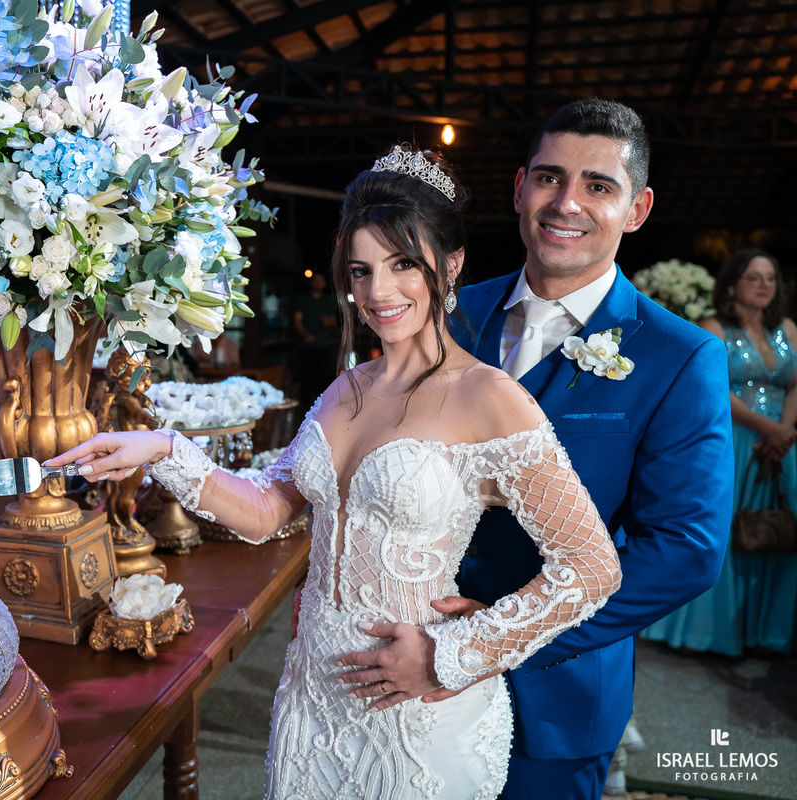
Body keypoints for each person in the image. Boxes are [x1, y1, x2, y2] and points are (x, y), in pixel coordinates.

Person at [47, 144, 623, 799]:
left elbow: (592, 566)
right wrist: (163, 449)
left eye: (402, 264)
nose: (378, 292)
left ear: (451, 263)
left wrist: (456, 652)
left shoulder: (489, 397)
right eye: (360, 270)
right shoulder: (344, 390)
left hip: (417, 714)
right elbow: (267, 510)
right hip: (313, 698)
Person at [341, 98, 733, 800]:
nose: (567, 203)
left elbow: (685, 549)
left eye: (598, 186)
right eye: (550, 177)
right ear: (521, 188)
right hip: (400, 659)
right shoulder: (448, 312)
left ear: (637, 209)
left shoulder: (680, 357)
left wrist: (486, 640)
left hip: (554, 695)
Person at [641, 249, 797, 655]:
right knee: (727, 531)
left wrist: (784, 429)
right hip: (736, 440)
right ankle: (715, 632)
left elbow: (795, 383)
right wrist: (767, 428)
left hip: (782, 445)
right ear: (732, 284)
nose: (764, 285)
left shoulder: (788, 328)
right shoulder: (713, 328)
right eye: (754, 277)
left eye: (770, 278)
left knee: (779, 529)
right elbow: (715, 389)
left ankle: (765, 632)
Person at [291, 271, 339, 412]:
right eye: (316, 280)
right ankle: (304, 408)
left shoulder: (328, 300)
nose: (318, 283)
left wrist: (328, 321)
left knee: (323, 377)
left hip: (324, 344)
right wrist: (305, 334)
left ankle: (322, 408)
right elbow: (297, 320)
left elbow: (334, 320)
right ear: (311, 282)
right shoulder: (302, 298)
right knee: (305, 375)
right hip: (306, 345)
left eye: (321, 280)